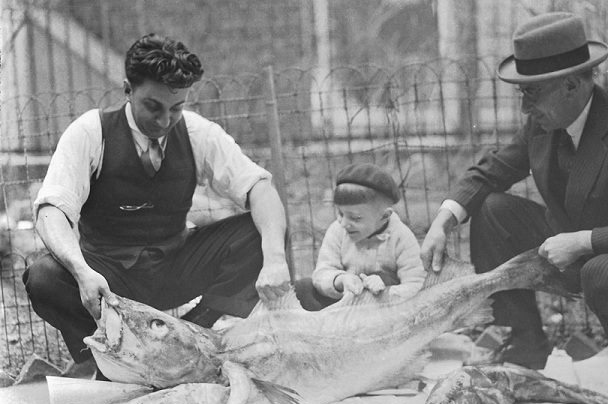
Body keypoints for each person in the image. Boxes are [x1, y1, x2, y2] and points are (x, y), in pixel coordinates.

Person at [420, 12, 608, 395]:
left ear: (572, 84)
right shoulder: (545, 122)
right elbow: (491, 171)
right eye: (522, 94)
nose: (524, 108)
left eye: (531, 93)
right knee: (492, 210)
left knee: (602, 270)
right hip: (583, 249)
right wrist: (443, 220)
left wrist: (583, 241)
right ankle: (525, 341)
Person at [23, 34, 291, 372]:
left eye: (176, 108)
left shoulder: (197, 133)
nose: (165, 121)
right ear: (127, 89)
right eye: (153, 107)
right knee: (43, 276)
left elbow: (260, 188)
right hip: (109, 277)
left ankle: (193, 339)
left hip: (174, 267)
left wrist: (275, 259)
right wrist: (82, 271)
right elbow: (51, 211)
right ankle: (105, 361)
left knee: (265, 232)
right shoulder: (90, 132)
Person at [295, 163, 426, 310]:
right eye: (340, 213)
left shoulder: (402, 237)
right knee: (303, 288)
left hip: (382, 309)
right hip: (342, 305)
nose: (344, 223)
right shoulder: (337, 230)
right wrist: (340, 280)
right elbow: (322, 273)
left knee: (384, 277)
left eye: (355, 218)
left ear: (385, 215)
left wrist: (388, 289)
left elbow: (416, 284)